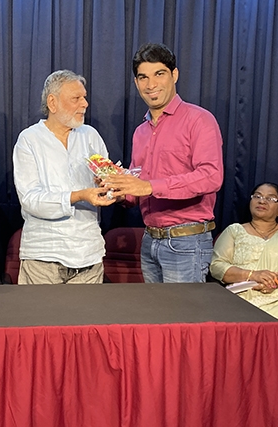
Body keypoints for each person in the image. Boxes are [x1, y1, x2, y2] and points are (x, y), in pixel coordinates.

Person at [103, 43, 223, 283]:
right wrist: (118, 190)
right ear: (136, 83)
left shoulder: (199, 119)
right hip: (149, 240)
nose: (151, 84)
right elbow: (136, 192)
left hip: (186, 241)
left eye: (159, 74)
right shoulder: (140, 132)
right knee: (156, 309)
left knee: (182, 309)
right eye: (143, 77)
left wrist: (149, 186)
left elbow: (211, 176)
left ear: (174, 75)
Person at [210, 182, 278, 424]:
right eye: (257, 196)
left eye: (270, 198)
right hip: (243, 295)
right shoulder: (234, 231)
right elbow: (218, 266)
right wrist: (252, 275)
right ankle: (242, 406)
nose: (262, 201)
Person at [13, 70, 111, 284]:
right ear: (52, 102)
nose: (85, 104)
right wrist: (80, 195)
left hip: (88, 256)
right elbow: (30, 199)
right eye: (76, 98)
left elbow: (107, 184)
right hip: (43, 259)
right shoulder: (29, 140)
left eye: (84, 97)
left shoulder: (90, 136)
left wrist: (112, 190)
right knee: (40, 309)